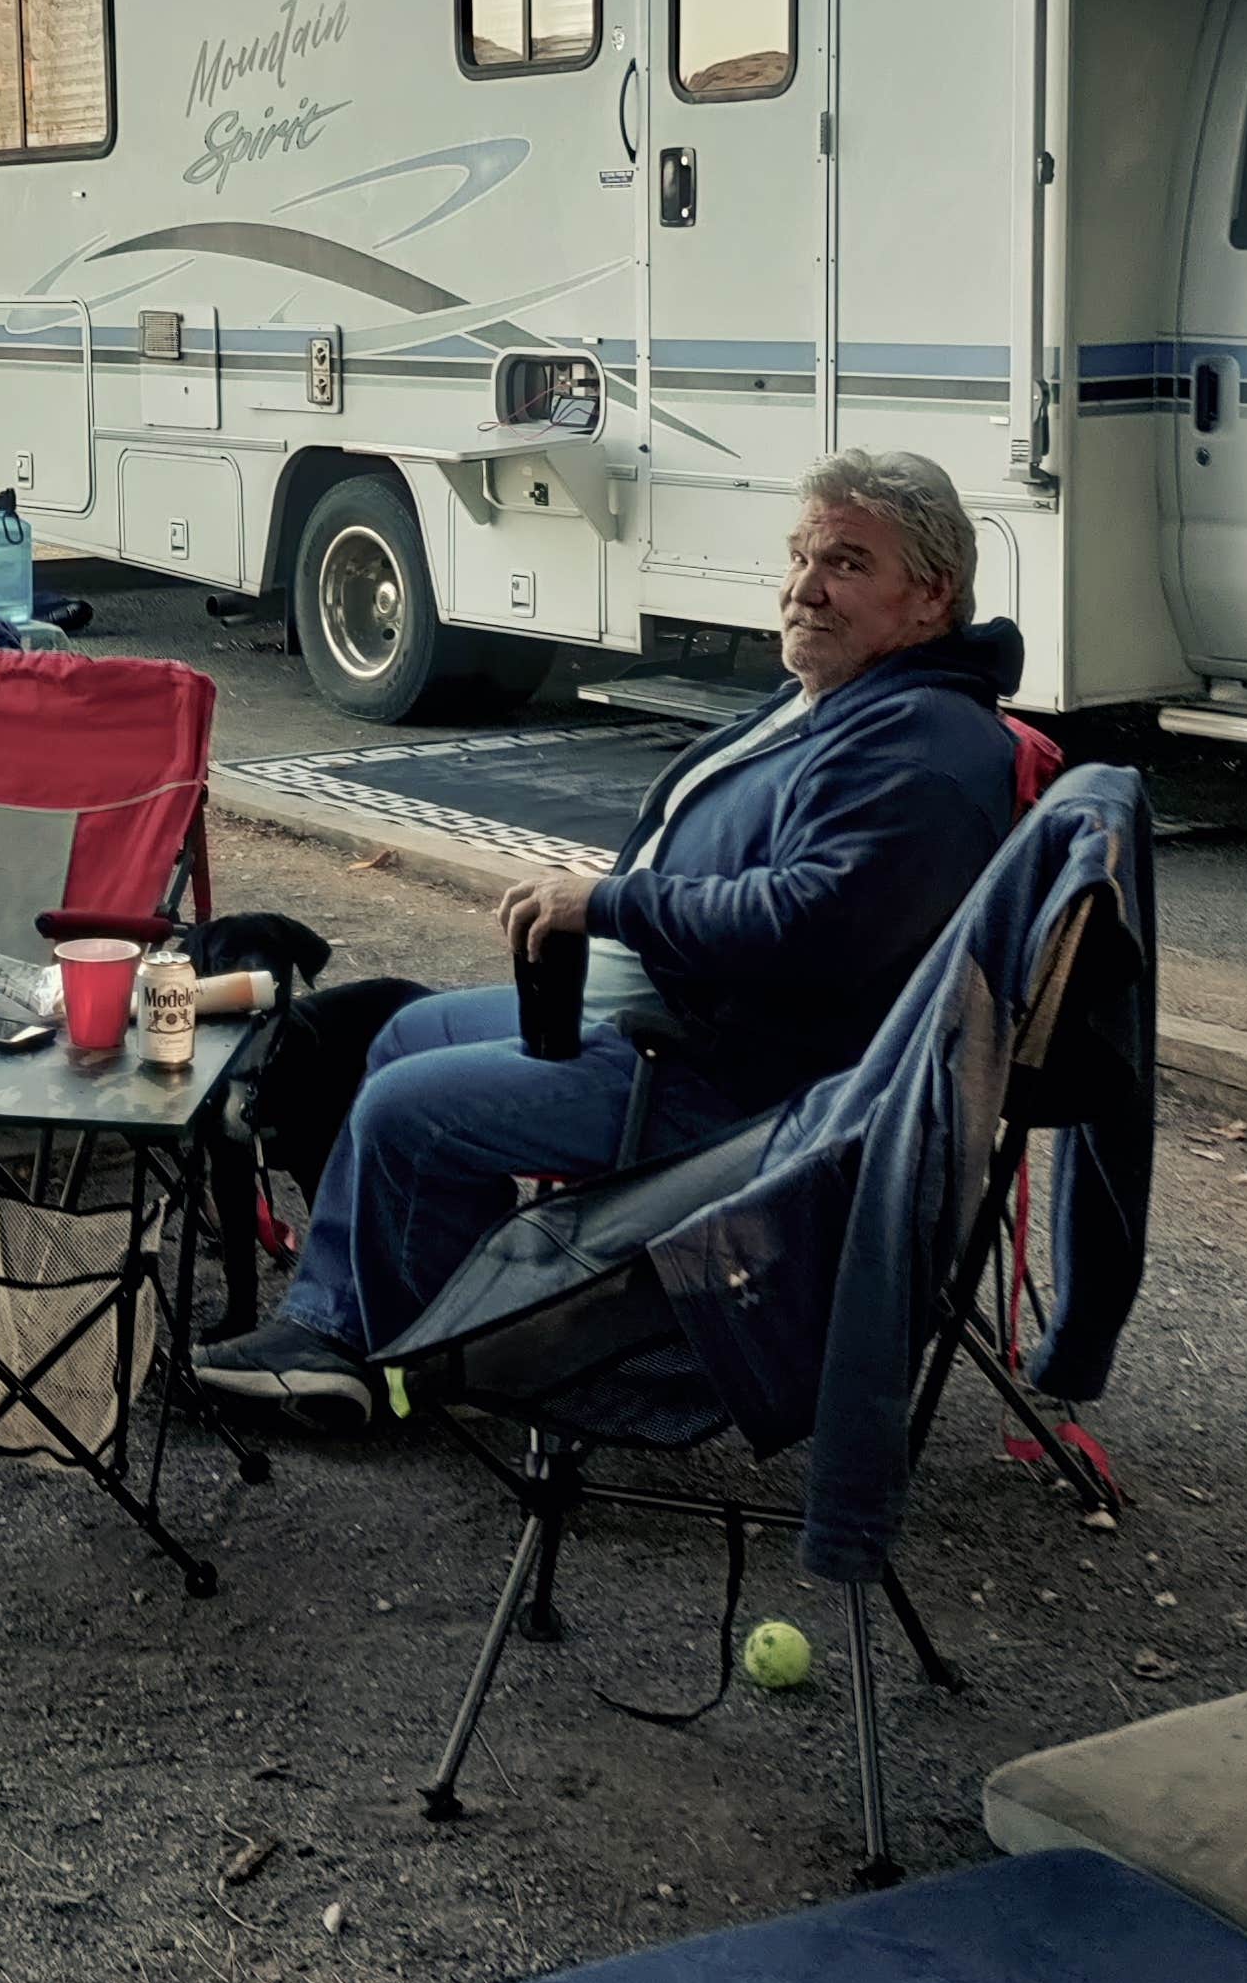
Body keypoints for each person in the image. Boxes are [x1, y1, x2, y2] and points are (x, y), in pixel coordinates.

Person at [200, 452, 1026, 1417]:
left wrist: (610, 905)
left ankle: (358, 1355)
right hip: (664, 1008)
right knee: (400, 1035)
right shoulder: (851, 695)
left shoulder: (920, 749)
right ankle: (454, 1331)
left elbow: (811, 923)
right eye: (801, 556)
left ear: (931, 596)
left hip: (733, 1076)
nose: (805, 588)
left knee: (409, 1108)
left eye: (845, 563)